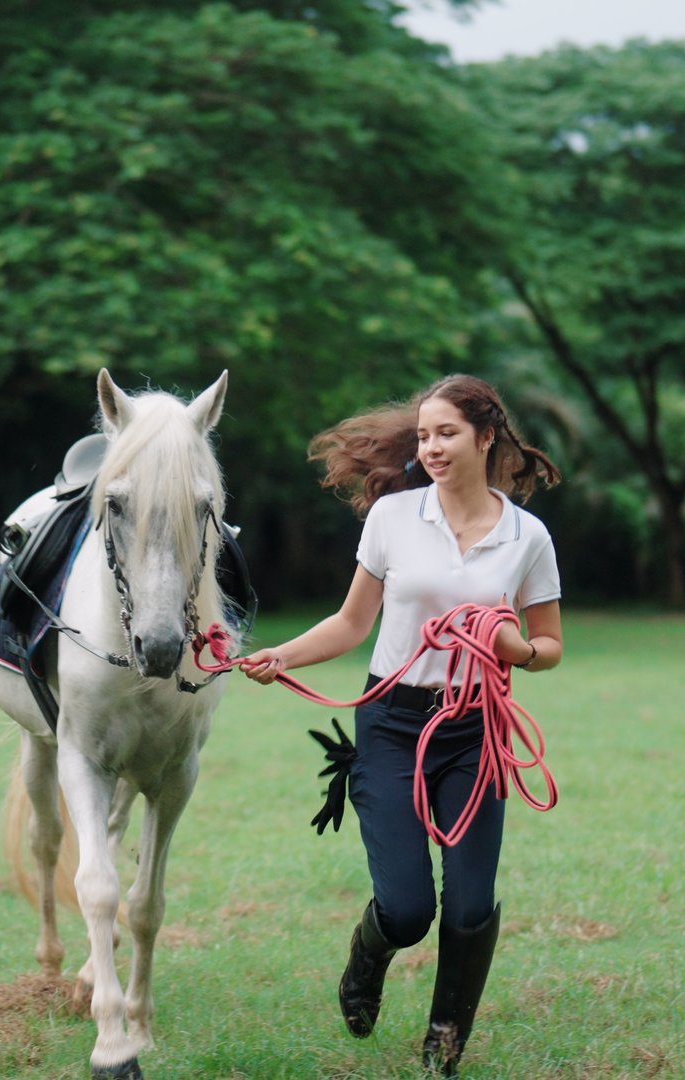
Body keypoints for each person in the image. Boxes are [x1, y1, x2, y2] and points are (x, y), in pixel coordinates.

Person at [240, 374, 563, 1076]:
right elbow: (353, 622)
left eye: (446, 433)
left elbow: (550, 647)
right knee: (409, 907)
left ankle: (445, 1042)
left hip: (476, 729)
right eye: (423, 436)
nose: (432, 448)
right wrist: (279, 655)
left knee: (472, 903)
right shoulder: (392, 519)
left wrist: (515, 649)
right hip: (391, 724)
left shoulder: (526, 537)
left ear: (486, 437)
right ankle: (369, 955)